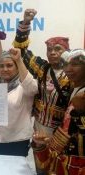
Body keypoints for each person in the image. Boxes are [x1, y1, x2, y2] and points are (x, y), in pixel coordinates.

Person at [13, 9, 72, 138]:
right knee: (40, 157)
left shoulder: (73, 74)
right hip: (38, 126)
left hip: (62, 131)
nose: (52, 52)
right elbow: (20, 50)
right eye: (49, 49)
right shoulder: (42, 67)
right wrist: (26, 23)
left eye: (58, 49)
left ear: (67, 52)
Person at [32, 49, 85, 175]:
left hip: (78, 162)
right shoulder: (74, 88)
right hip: (62, 155)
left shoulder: (83, 95)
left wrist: (79, 115)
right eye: (66, 64)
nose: (68, 69)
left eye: (75, 64)